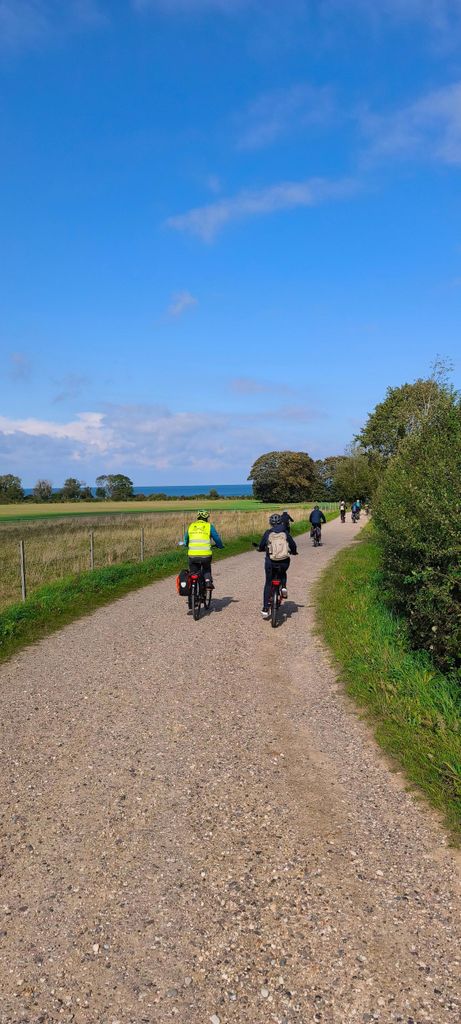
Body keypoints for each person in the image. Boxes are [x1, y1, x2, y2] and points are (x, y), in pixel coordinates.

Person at [256, 513, 297, 619]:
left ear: (271, 523)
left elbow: (261, 545)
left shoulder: (268, 533)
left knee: (268, 583)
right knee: (283, 572)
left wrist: (260, 549)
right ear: (281, 522)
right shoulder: (285, 533)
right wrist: (294, 552)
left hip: (270, 562)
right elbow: (293, 545)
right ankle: (283, 587)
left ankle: (265, 608)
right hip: (283, 562)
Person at [183, 510, 224, 589]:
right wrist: (220, 546)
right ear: (207, 518)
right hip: (206, 555)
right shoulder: (209, 526)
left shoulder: (191, 526)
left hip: (192, 554)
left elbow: (186, 539)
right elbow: (217, 538)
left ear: (198, 518)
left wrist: (186, 545)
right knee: (206, 568)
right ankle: (208, 581)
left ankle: (192, 588)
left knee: (193, 572)